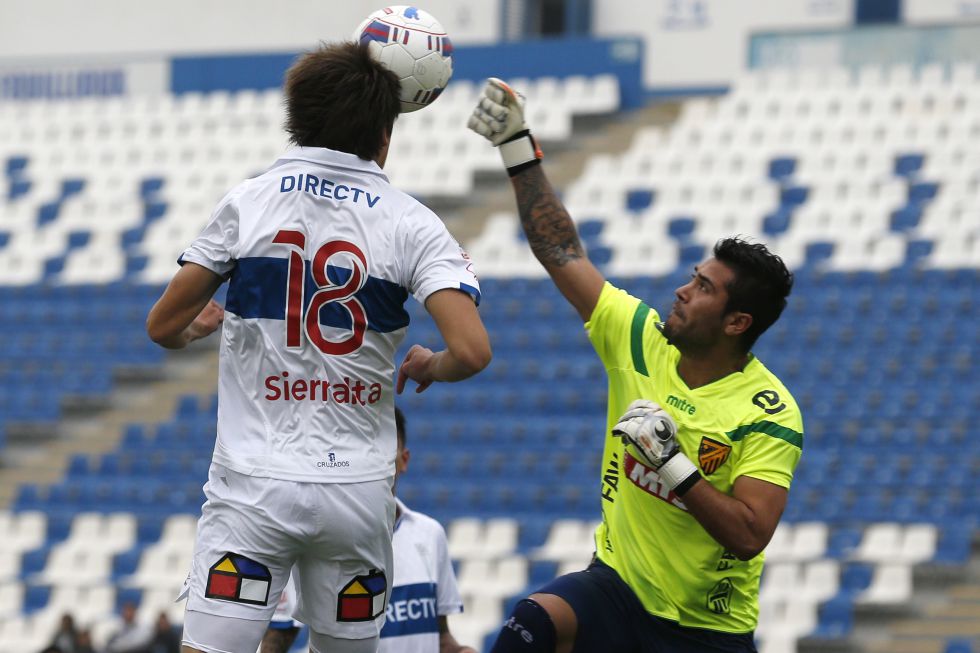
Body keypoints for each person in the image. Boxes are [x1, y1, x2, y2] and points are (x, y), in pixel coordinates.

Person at [146, 41, 491, 653]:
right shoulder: (413, 223)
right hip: (359, 494)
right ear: (386, 135)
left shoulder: (249, 203)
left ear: (294, 121)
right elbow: (472, 351)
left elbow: (162, 324)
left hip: (254, 485)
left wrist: (193, 329)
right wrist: (429, 364)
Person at [468, 80, 802, 653]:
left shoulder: (769, 412)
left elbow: (750, 534)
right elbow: (562, 251)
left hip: (706, 631)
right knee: (531, 624)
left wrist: (672, 465)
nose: (681, 290)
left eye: (701, 288)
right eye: (692, 277)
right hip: (617, 588)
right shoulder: (641, 339)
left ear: (736, 323)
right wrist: (516, 146)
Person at [261, 407, 479, 653]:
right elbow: (279, 636)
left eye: (386, 449)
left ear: (404, 460)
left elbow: (440, 638)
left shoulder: (430, 535)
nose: (377, 461)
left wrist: (461, 651)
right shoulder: (313, 534)